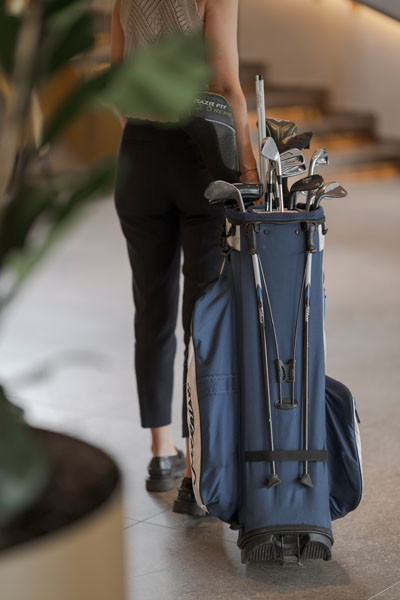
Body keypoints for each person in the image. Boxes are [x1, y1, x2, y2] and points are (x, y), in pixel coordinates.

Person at [112, 0, 259, 516]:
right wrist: (247, 168)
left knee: (151, 308)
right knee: (202, 317)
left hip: (138, 156)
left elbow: (118, 78)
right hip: (200, 156)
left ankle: (161, 452)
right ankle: (195, 471)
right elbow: (226, 84)